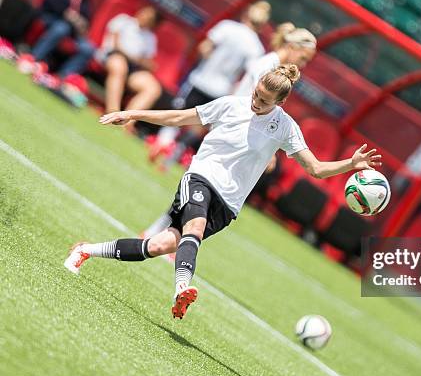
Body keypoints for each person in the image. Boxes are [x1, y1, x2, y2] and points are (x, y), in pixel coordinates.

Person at [64, 64, 382, 319]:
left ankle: (86, 250)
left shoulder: (285, 127)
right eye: (256, 93)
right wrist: (133, 114)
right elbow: (179, 117)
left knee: (159, 245)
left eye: (264, 101)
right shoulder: (230, 105)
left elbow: (315, 168)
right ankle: (181, 289)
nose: (256, 101)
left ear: (281, 104)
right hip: (201, 177)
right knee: (195, 229)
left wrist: (351, 164)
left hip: (228, 205)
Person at [141, 24, 318, 238]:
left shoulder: (272, 64)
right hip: (234, 134)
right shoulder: (268, 66)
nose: (303, 64)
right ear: (292, 46)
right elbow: (256, 106)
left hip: (237, 133)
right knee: (202, 191)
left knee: (201, 194)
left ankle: (160, 234)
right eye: (304, 58)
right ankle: (166, 237)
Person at [150, 0, 271, 164]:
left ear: (246, 13)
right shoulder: (256, 48)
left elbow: (204, 48)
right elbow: (247, 76)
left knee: (179, 112)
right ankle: (176, 151)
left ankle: (161, 144)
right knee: (201, 124)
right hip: (222, 90)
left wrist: (209, 59)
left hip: (201, 79)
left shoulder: (227, 27)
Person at [96, 5, 162, 121]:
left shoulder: (151, 38)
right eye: (145, 12)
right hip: (112, 56)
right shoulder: (123, 20)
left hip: (133, 68)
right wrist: (136, 59)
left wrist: (143, 63)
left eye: (150, 17)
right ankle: (113, 112)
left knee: (153, 88)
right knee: (120, 67)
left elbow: (148, 63)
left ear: (153, 23)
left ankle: (127, 121)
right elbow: (117, 46)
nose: (145, 16)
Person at [17, 0, 95, 78]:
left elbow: (85, 23)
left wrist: (76, 20)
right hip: (52, 18)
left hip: (72, 30)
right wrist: (72, 17)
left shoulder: (85, 0)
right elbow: (55, 5)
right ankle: (33, 58)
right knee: (62, 28)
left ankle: (62, 77)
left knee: (88, 48)